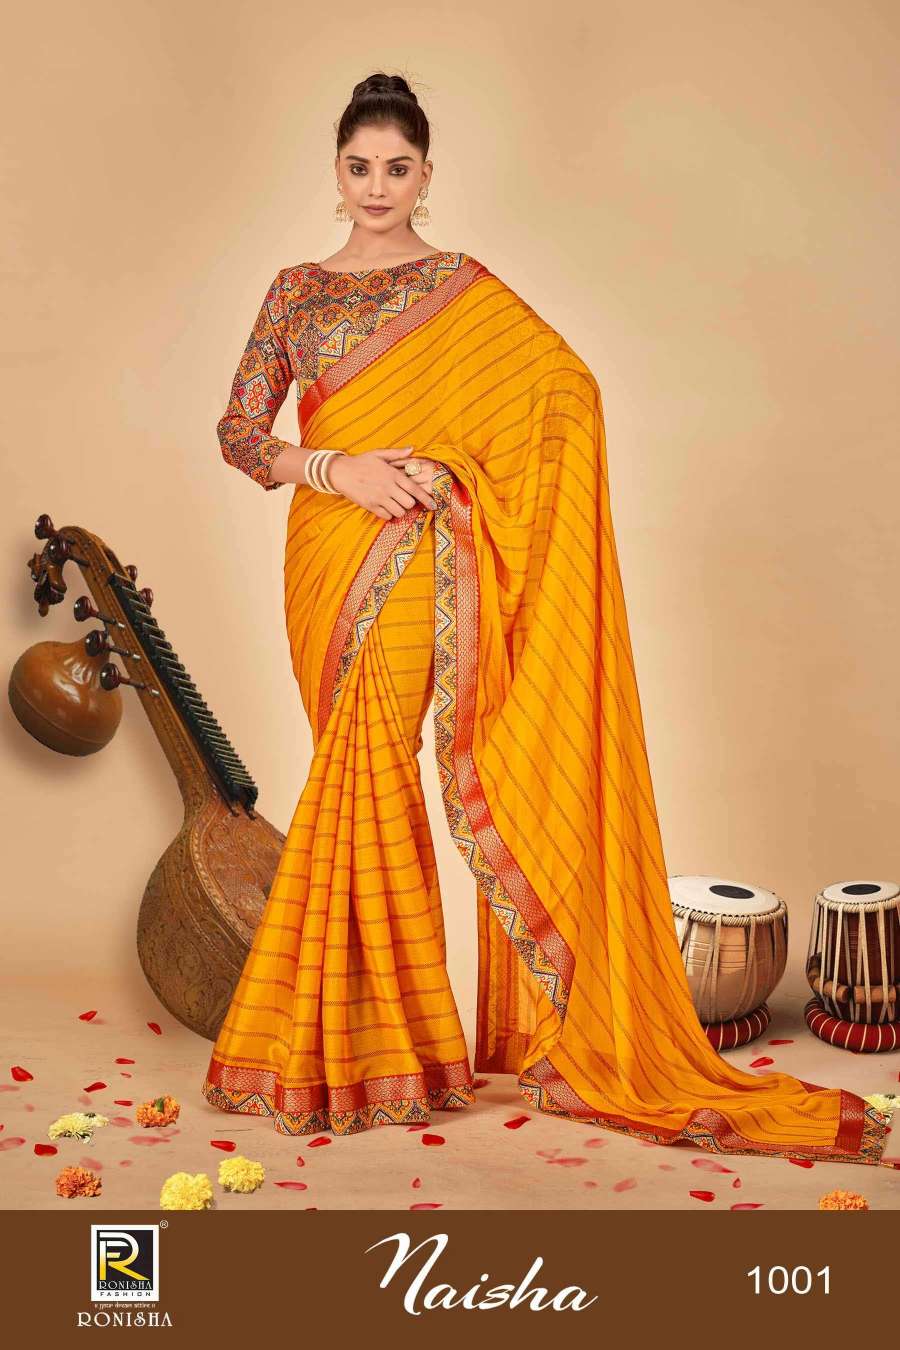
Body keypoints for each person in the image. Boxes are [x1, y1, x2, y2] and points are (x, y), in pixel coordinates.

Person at [201, 72, 896, 1165]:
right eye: (359, 166)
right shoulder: (296, 292)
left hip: (422, 549)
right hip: (328, 552)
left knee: (368, 772)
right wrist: (337, 466)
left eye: (397, 168)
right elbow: (242, 436)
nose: (377, 186)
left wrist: (446, 468)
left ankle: (372, 1048)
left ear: (426, 176)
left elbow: (563, 392)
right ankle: (382, 1047)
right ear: (334, 172)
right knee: (348, 765)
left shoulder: (462, 288)